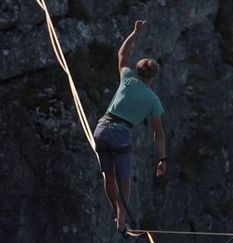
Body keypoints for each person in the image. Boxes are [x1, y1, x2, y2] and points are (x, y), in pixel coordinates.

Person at [93, 20, 167, 236]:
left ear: (137, 70)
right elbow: (158, 134)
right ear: (153, 76)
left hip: (101, 128)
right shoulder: (154, 101)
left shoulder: (127, 78)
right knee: (124, 180)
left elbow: (122, 53)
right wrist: (162, 160)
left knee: (109, 176)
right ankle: (121, 218)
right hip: (120, 134)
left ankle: (116, 213)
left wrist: (135, 33)